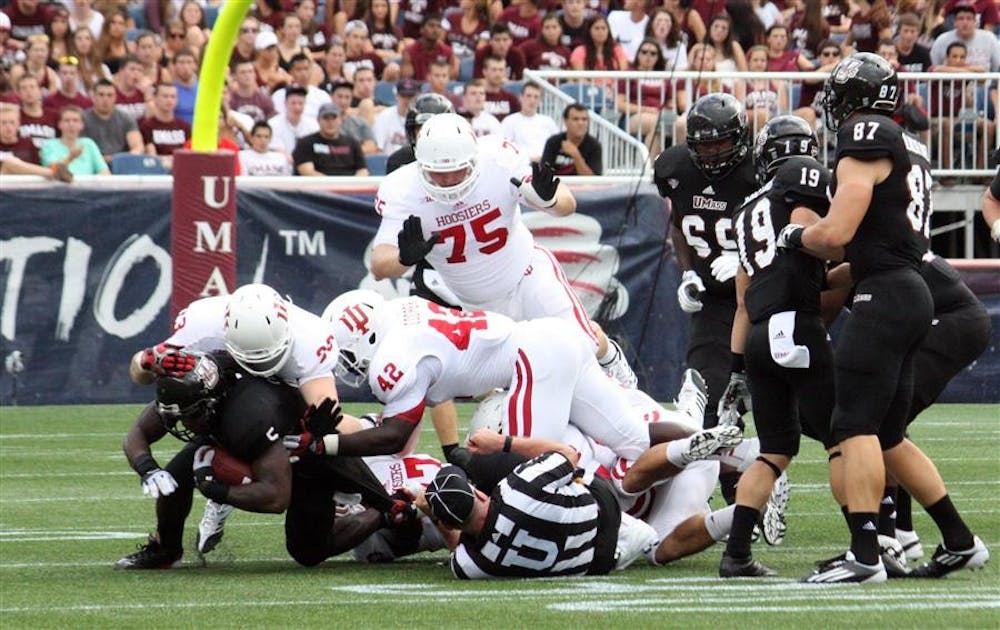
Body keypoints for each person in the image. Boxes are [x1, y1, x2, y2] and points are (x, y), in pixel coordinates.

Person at [779, 53, 988, 583]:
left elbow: (836, 233)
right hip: (909, 287)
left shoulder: (862, 137)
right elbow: (873, 239)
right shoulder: (907, 146)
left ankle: (867, 553)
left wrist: (793, 236)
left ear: (854, 101)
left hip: (888, 294)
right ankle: (960, 540)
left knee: (852, 423)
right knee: (889, 432)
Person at [372, 112, 636, 388]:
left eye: (457, 169)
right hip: (477, 306)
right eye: (439, 172)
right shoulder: (403, 189)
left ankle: (612, 360)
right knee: (518, 383)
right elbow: (379, 265)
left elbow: (567, 205)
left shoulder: (498, 160)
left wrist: (549, 200)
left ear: (473, 159)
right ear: (421, 165)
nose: (449, 179)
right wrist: (403, 257)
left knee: (584, 346)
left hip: (528, 275)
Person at [127, 283, 367, 554]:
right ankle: (166, 547)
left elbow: (326, 412)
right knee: (189, 444)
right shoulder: (201, 324)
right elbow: (140, 373)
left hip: (284, 393)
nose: (259, 366)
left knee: (334, 433)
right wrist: (145, 362)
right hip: (224, 391)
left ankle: (359, 477)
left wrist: (312, 434)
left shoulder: (310, 338)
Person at [114, 353, 403, 569]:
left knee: (309, 552)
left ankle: (381, 513)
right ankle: (166, 550)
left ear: (210, 402)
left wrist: (220, 492)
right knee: (174, 480)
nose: (183, 423)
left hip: (304, 457)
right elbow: (138, 432)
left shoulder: (247, 419)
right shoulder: (195, 390)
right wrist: (147, 468)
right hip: (246, 434)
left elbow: (276, 496)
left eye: (190, 415)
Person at [718, 115, 837, 577]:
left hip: (759, 336)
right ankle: (868, 542)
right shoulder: (802, 179)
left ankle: (737, 555)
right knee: (846, 436)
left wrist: (735, 370)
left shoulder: (746, 209)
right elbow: (815, 240)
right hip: (796, 324)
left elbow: (744, 303)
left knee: (775, 449)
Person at [653, 93, 758, 504]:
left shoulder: (758, 170)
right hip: (715, 303)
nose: (713, 153)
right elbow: (679, 224)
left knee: (782, 402)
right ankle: (735, 506)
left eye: (722, 143)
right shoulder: (675, 168)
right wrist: (688, 271)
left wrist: (746, 260)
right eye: (705, 144)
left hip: (762, 298)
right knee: (706, 403)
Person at [417, 454, 659, 579]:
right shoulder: (516, 486)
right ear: (478, 494)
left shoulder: (468, 565)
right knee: (573, 463)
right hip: (605, 509)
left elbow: (457, 544)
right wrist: (506, 446)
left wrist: (434, 515)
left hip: (596, 563)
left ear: (446, 523)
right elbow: (567, 457)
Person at [293, 102, 369, 176]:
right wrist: (334, 186)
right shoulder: (305, 143)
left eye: (334, 118)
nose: (330, 122)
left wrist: (351, 185)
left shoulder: (353, 143)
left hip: (349, 187)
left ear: (341, 120)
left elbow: (362, 170)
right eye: (326, 118)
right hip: (317, 187)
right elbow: (308, 172)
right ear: (318, 120)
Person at [386, 92, 454, 174]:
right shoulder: (398, 161)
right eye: (421, 128)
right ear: (412, 132)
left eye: (434, 129)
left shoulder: (464, 156)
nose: (427, 135)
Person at [82, 79, 144, 164]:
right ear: (93, 97)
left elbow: (137, 147)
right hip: (92, 164)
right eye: (101, 95)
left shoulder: (126, 118)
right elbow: (81, 148)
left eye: (109, 95)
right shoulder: (83, 119)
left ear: (115, 97)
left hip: (121, 165)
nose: (105, 99)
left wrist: (122, 160)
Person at [40, 105, 108, 176]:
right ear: (59, 124)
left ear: (82, 125)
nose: (71, 124)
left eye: (75, 120)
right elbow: (52, 170)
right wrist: (71, 157)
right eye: (67, 120)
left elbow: (104, 172)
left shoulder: (88, 143)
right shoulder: (49, 145)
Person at [500, 83, 558, 163]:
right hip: (520, 167)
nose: (532, 100)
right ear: (521, 98)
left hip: (546, 165)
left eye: (536, 97)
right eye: (528, 96)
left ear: (540, 100)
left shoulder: (548, 121)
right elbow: (504, 148)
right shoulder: (509, 121)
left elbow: (556, 146)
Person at [139, 83, 190, 172]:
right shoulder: (147, 126)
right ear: (155, 98)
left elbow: (189, 153)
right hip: (157, 171)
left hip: (183, 169)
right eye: (165, 96)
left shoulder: (185, 126)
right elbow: (151, 156)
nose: (169, 100)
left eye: (173, 97)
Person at [541, 103, 602, 177]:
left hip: (584, 188)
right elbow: (544, 174)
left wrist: (576, 156)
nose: (580, 123)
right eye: (575, 119)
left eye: (584, 119)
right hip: (557, 186)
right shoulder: (553, 142)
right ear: (565, 121)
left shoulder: (594, 146)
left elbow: (593, 180)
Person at [272, 53, 332, 121]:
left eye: (306, 69)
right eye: (298, 69)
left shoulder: (322, 95)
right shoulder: (279, 95)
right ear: (291, 72)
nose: (303, 74)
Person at [401, 13, 458, 82]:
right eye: (431, 26)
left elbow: (451, 78)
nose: (435, 29)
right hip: (418, 89)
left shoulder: (447, 52)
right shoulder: (409, 51)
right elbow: (407, 80)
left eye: (439, 27)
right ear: (422, 30)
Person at [267, 86, 319, 159]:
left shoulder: (313, 124)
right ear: (285, 103)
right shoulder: (273, 124)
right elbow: (274, 149)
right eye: (293, 103)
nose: (297, 107)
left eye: (301, 103)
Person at [330, 80, 379, 155]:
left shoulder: (361, 123)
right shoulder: (324, 122)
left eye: (347, 97)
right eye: (339, 97)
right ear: (332, 97)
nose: (343, 101)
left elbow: (371, 147)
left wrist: (348, 152)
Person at [373, 78, 418, 155]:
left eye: (410, 96)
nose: (407, 100)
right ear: (397, 96)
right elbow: (378, 149)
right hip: (391, 163)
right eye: (403, 96)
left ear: (416, 97)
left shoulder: (420, 117)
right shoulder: (385, 116)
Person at [15, 74, 56, 150]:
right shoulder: (15, 117)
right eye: (24, 88)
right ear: (18, 93)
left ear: (39, 90)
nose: (28, 91)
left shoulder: (54, 116)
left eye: (32, 87)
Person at [480, 55, 520, 122]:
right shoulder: (476, 96)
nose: (498, 74)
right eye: (494, 70)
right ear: (484, 71)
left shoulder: (511, 99)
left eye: (501, 70)